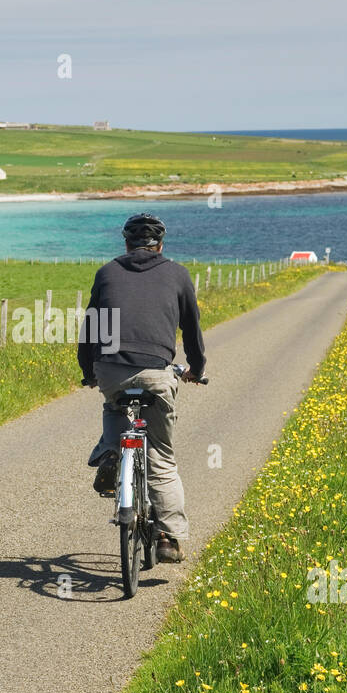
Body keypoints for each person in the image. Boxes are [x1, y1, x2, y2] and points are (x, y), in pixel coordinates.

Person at [78, 212, 206, 563]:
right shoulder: (178, 274)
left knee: (113, 405)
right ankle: (168, 539)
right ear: (160, 245)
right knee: (162, 460)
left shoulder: (106, 273)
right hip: (156, 373)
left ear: (126, 243)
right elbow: (191, 330)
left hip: (112, 371)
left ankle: (110, 451)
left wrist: (89, 371)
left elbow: (91, 328)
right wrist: (197, 367)